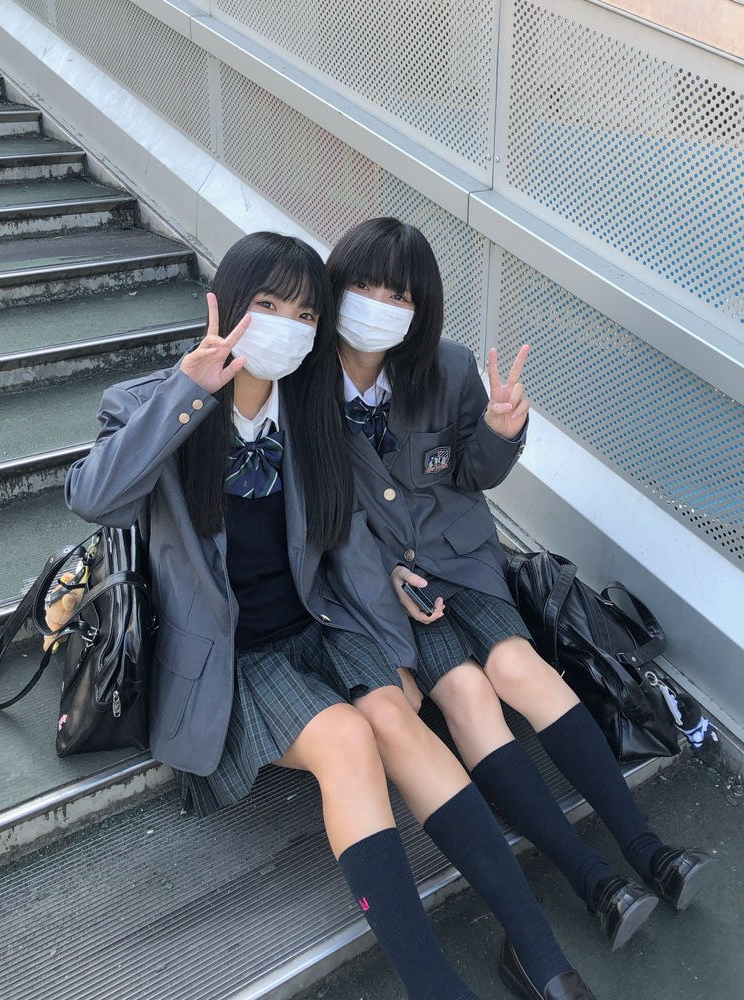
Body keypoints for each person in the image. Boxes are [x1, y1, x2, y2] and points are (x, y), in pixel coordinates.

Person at [65, 232, 598, 1000]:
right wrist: (188, 392)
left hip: (320, 626)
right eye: (268, 304)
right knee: (348, 738)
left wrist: (394, 652)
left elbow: (345, 545)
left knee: (396, 719)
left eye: (305, 313)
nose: (287, 325)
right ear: (227, 303)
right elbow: (92, 497)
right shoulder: (154, 402)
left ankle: (539, 955)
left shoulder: (310, 407)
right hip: (232, 659)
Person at [326, 216, 716, 954]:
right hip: (385, 585)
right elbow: (319, 513)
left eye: (398, 294)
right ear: (337, 286)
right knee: (468, 694)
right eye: (364, 286)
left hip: (464, 558)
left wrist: (501, 433)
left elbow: (473, 474)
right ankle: (593, 881)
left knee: (518, 668)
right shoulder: (304, 386)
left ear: (420, 306)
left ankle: (649, 852)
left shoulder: (446, 366)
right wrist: (383, 575)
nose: (379, 305)